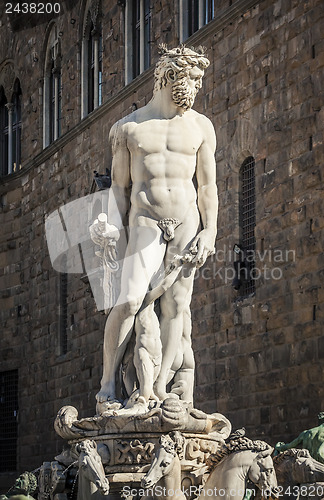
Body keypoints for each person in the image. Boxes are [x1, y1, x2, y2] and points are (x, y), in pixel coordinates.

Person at [90, 45, 218, 412]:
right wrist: (111, 233)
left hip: (187, 223)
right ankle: (108, 384)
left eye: (198, 80)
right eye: (191, 78)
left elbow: (207, 187)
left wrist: (210, 231)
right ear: (169, 76)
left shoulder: (201, 127)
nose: (195, 87)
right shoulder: (128, 128)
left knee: (177, 305)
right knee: (129, 300)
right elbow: (118, 188)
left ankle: (159, 389)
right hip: (145, 220)